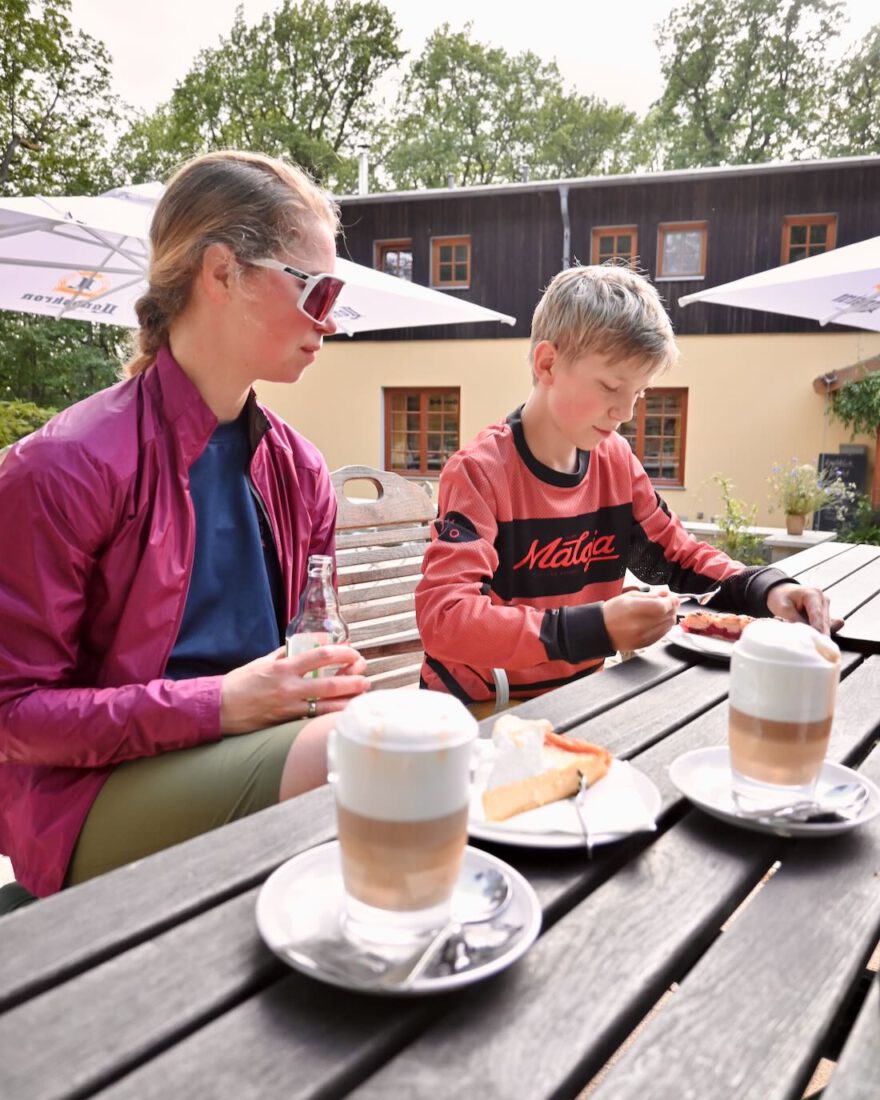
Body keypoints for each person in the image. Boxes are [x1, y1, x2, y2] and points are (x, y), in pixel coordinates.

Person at [0, 150, 370, 903]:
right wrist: (222, 703)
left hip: (250, 748)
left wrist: (316, 678)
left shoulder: (298, 471)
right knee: (354, 757)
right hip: (85, 799)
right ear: (221, 272)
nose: (328, 321)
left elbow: (305, 641)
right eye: (316, 290)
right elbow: (14, 714)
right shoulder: (65, 467)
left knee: (405, 734)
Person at [415, 264, 838, 710]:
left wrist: (767, 589)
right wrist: (595, 628)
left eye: (639, 393)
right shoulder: (481, 472)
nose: (626, 411)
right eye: (611, 386)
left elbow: (679, 557)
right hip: (476, 710)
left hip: (579, 700)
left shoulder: (615, 460)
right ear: (548, 364)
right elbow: (445, 619)